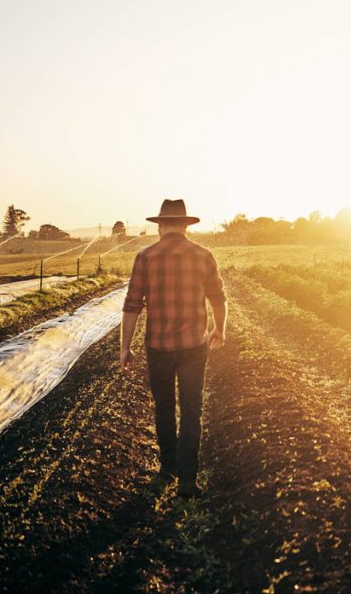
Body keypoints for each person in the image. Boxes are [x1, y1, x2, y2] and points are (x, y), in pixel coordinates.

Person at [119, 199, 227, 498]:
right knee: (192, 409)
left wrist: (125, 348)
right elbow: (218, 299)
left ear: (159, 226)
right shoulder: (203, 256)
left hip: (158, 346)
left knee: (164, 407)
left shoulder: (146, 257)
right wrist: (220, 329)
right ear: (185, 225)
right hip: (194, 345)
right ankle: (188, 481)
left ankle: (167, 469)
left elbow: (131, 307)